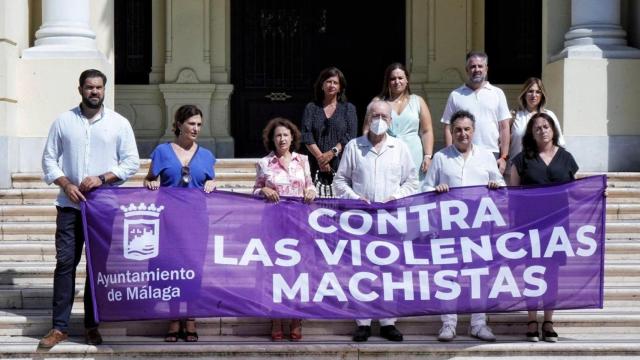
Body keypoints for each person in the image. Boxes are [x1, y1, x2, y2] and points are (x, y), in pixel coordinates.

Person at [40, 69, 140, 348]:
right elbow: (49, 160)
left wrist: (102, 178)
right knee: (65, 265)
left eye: (98, 87)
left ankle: (91, 325)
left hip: (103, 207)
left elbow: (131, 162)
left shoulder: (119, 124)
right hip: (69, 206)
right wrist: (65, 184)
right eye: (89, 87)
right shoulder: (63, 122)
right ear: (80, 89)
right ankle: (59, 327)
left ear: (104, 90)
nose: (94, 92)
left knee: (97, 267)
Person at [333, 100, 418, 342]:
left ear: (391, 121)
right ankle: (363, 321)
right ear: (367, 119)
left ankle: (388, 321)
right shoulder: (353, 146)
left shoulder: (399, 148)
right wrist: (355, 199)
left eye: (384, 116)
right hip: (360, 219)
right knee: (361, 270)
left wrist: (395, 197)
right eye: (375, 115)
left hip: (391, 219)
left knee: (390, 271)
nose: (379, 120)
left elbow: (412, 182)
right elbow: (340, 182)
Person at [423, 110, 505, 342]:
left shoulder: (487, 156)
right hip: (449, 230)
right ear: (451, 132)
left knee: (479, 276)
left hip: (479, 230)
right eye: (457, 129)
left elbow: (503, 189)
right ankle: (448, 324)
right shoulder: (440, 157)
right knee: (448, 276)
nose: (462, 134)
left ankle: (478, 324)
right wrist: (436, 190)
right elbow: (425, 190)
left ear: (474, 131)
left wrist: (496, 185)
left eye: (467, 129)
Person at [143, 104, 217, 342]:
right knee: (172, 268)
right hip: (169, 221)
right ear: (179, 125)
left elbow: (209, 182)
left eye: (198, 124)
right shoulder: (162, 151)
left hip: (196, 221)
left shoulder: (206, 155)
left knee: (194, 268)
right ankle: (174, 318)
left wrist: (212, 185)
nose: (195, 128)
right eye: (191, 124)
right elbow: (149, 179)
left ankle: (191, 317)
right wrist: (151, 183)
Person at [509, 113, 578, 343]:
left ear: (553, 129)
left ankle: (548, 321)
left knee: (552, 273)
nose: (542, 130)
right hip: (530, 224)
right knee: (532, 272)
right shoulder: (521, 159)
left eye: (546, 126)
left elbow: (576, 190)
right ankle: (531, 320)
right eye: (537, 128)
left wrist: (598, 193)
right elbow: (513, 195)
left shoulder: (566, 158)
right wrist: (514, 229)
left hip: (557, 224)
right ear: (531, 133)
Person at [253, 117, 316, 341]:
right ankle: (277, 318)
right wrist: (263, 192)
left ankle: (296, 317)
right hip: (273, 225)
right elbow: (255, 191)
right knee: (275, 271)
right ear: (272, 139)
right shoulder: (264, 163)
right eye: (278, 135)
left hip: (299, 225)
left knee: (298, 271)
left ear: (292, 138)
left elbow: (310, 185)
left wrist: (311, 191)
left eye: (285, 135)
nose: (282, 139)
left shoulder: (303, 160)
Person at [441, 51, 511, 174]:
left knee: (490, 193)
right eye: (473, 66)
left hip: (491, 153)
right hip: (462, 154)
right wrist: (449, 154)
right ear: (467, 69)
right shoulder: (455, 95)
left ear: (486, 69)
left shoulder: (497, 93)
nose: (476, 69)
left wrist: (504, 157)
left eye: (480, 66)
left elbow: (504, 127)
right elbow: (448, 127)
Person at [301, 67, 357, 196]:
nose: (331, 85)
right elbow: (306, 134)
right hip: (315, 163)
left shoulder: (348, 109)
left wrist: (332, 153)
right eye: (328, 81)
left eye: (335, 82)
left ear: (340, 87)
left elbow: (350, 135)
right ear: (322, 85)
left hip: (341, 163)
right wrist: (321, 159)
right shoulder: (311, 108)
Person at [374, 62, 434, 180]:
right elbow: (367, 130)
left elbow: (427, 131)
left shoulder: (418, 101)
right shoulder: (378, 102)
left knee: (413, 188)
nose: (397, 82)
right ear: (388, 82)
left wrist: (428, 156)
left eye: (400, 78)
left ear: (407, 80)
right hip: (387, 151)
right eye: (393, 79)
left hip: (413, 152)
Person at [508, 77, 565, 176]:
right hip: (516, 172)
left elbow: (559, 143)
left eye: (538, 92)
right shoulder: (514, 115)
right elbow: (503, 144)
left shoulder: (550, 115)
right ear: (524, 94)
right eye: (530, 91)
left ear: (542, 95)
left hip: (540, 173)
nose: (534, 95)